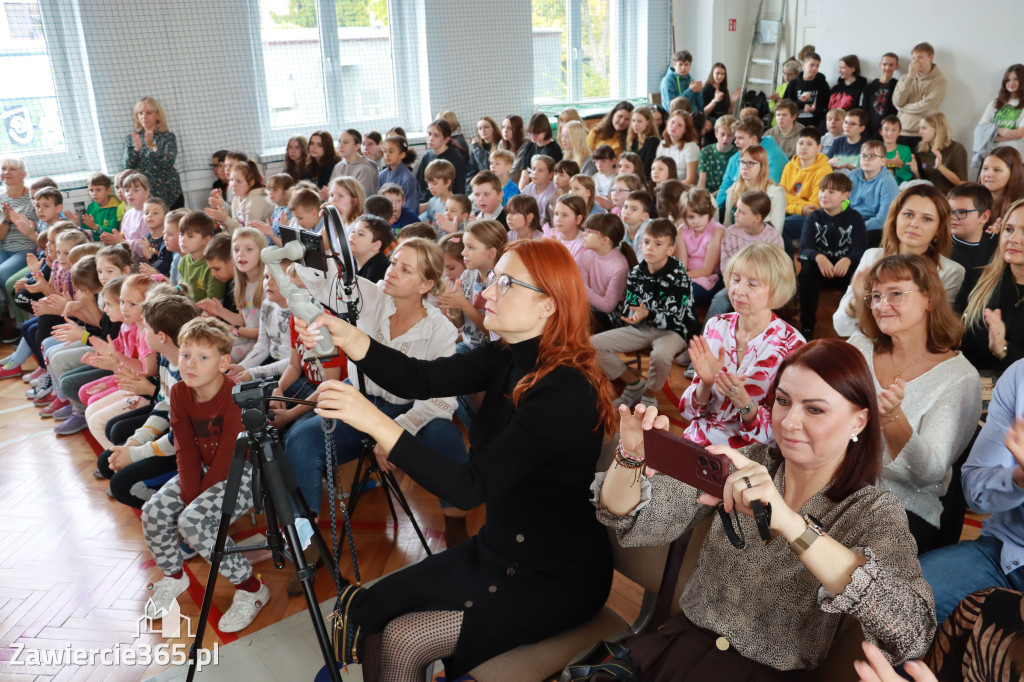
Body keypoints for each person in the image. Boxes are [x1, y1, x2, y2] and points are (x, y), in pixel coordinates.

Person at [299, 239, 617, 681]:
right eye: (492, 280)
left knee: (402, 638)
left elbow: (468, 488)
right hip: (499, 547)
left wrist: (373, 421)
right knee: (372, 613)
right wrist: (351, 337)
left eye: (505, 283)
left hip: (555, 574)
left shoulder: (565, 390)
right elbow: (420, 376)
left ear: (549, 305)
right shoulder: (506, 354)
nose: (486, 292)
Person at [594, 339, 936, 679]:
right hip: (679, 652)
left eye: (814, 409)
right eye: (783, 401)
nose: (788, 422)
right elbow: (631, 513)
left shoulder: (872, 512)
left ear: (858, 422)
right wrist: (630, 457)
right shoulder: (750, 461)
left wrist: (790, 523)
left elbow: (911, 631)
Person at [285, 237, 471, 550]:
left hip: (412, 410)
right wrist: (308, 247)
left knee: (447, 438)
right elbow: (325, 282)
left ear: (426, 284)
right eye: (394, 262)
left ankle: (456, 523)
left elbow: (440, 400)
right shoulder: (371, 296)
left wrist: (395, 433)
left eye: (405, 269)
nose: (392, 271)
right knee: (300, 441)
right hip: (361, 403)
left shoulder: (441, 330)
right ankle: (307, 544)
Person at [140, 317, 268, 634]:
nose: (191, 365)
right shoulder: (181, 393)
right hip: (205, 471)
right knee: (154, 510)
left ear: (224, 363)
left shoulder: (235, 395)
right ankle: (173, 576)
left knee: (193, 520)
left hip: (245, 474)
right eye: (186, 355)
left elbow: (228, 457)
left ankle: (253, 589)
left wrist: (192, 504)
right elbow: (185, 448)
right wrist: (189, 493)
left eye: (203, 357)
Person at [850, 254, 981, 552]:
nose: (882, 305)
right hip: (838, 486)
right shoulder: (859, 347)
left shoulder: (959, 377)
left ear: (929, 300)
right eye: (875, 296)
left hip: (902, 507)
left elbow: (929, 475)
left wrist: (893, 419)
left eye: (895, 293)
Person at [918, 357, 1024, 624]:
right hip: (1005, 553)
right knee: (892, 600)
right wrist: (1018, 478)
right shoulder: (1020, 376)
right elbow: (976, 489)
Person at [680, 242, 803, 447]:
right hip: (698, 441)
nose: (738, 290)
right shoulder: (716, 325)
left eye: (752, 284)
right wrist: (705, 383)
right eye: (736, 279)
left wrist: (744, 403)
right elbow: (688, 412)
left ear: (776, 291)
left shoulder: (793, 344)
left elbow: (783, 427)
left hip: (749, 455)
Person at [592, 219, 699, 410]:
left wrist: (647, 313)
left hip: (673, 331)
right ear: (641, 244)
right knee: (592, 346)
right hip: (641, 328)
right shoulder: (635, 273)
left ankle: (649, 394)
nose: (650, 248)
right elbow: (631, 305)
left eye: (658, 244)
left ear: (670, 250)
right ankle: (634, 384)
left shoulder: (680, 275)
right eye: (647, 242)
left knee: (660, 355)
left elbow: (675, 316)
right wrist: (632, 316)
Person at [833, 184, 965, 337]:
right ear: (895, 218)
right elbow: (841, 327)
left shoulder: (951, 272)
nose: (914, 224)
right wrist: (857, 301)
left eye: (927, 219)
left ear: (938, 230)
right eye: (908, 215)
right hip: (864, 345)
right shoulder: (872, 257)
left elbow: (937, 333)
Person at [957, 198, 1024, 373]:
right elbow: (952, 337)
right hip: (968, 386)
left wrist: (1002, 349)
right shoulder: (976, 278)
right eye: (1009, 229)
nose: (1013, 239)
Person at [798, 173, 867, 339]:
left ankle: (857, 326)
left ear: (845, 196)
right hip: (821, 271)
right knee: (806, 272)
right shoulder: (813, 217)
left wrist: (848, 259)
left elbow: (861, 250)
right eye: (822, 190)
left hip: (845, 271)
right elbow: (804, 250)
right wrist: (818, 257)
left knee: (862, 277)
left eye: (831, 192)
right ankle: (807, 327)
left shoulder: (855, 218)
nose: (824, 195)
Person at [121, 97, 182, 208]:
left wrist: (152, 147)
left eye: (149, 113)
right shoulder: (133, 138)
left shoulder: (168, 137)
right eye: (140, 113)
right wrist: (136, 150)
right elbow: (127, 166)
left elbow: (168, 162)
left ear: (157, 115)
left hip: (169, 193)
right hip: (145, 196)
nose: (144, 117)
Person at [780, 126, 833, 252]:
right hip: (792, 211)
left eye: (809, 144)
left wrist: (787, 197)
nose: (803, 147)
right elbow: (778, 196)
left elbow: (814, 207)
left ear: (819, 148)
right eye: (801, 143)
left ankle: (787, 269)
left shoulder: (824, 171)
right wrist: (800, 208)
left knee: (781, 225)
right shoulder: (789, 166)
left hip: (817, 217)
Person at [893, 42, 947, 148]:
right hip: (900, 132)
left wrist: (903, 108)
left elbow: (927, 107)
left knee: (919, 165)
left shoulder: (939, 81)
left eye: (920, 57)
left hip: (922, 135)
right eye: (913, 58)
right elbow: (897, 102)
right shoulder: (905, 78)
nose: (916, 61)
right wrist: (910, 77)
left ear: (931, 58)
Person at [849, 140, 901, 247]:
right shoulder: (852, 175)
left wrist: (854, 227)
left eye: (872, 156)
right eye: (863, 155)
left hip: (874, 226)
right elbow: (842, 202)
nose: (866, 159)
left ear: (883, 161)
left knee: (864, 238)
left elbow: (883, 219)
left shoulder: (887, 182)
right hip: (852, 220)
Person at [723, 146, 786, 231]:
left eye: (751, 163)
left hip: (763, 243)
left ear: (762, 166)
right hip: (734, 242)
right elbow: (727, 226)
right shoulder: (733, 190)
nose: (744, 167)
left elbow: (776, 231)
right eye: (742, 162)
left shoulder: (775, 193)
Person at [909, 113, 968, 194]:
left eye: (924, 128)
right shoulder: (920, 149)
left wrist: (940, 167)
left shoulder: (957, 149)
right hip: (928, 196)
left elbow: (961, 183)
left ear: (936, 129)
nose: (920, 132)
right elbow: (920, 181)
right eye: (920, 128)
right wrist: (916, 172)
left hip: (950, 198)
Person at [947, 183, 998, 273]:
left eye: (962, 212)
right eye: (949, 211)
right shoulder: (939, 245)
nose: (952, 217)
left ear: (984, 217)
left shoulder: (997, 247)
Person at [979, 64, 1024, 159]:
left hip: (1015, 156)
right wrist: (1000, 130)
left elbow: (1020, 133)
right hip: (991, 155)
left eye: (1015, 79)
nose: (1011, 83)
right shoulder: (995, 103)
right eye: (1008, 79)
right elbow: (981, 129)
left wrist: (994, 137)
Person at [514, 113, 563, 189]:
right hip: (531, 188)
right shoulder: (529, 146)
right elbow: (524, 175)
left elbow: (554, 176)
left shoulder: (554, 148)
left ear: (545, 131)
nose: (532, 136)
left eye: (536, 133)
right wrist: (520, 193)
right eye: (530, 133)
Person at [783, 52, 831, 129]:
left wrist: (815, 109)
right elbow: (786, 106)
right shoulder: (793, 83)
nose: (815, 68)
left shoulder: (823, 84)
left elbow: (827, 107)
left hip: (815, 123)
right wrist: (800, 101)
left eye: (817, 66)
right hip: (795, 122)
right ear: (803, 65)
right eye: (812, 65)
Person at [979, 146, 1024, 227]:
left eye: (997, 170)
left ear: (1013, 173)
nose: (988, 174)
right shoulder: (971, 198)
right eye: (985, 168)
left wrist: (998, 237)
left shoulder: (1020, 207)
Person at [330, 129, 379, 199]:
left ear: (357, 146)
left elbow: (363, 198)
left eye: (346, 142)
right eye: (339, 141)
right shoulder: (338, 167)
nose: (340, 145)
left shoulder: (366, 169)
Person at [657, 111, 701, 185]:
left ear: (685, 130)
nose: (674, 126)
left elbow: (691, 180)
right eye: (672, 122)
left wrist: (668, 187)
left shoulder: (691, 147)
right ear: (667, 123)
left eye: (680, 125)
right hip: (665, 187)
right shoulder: (662, 144)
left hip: (684, 188)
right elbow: (657, 171)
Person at [697, 115, 737, 194]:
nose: (725, 139)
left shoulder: (736, 154)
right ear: (716, 133)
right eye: (722, 134)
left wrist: (712, 196)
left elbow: (732, 185)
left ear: (734, 136)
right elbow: (701, 183)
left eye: (729, 135)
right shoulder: (706, 151)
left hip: (727, 194)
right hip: (707, 193)